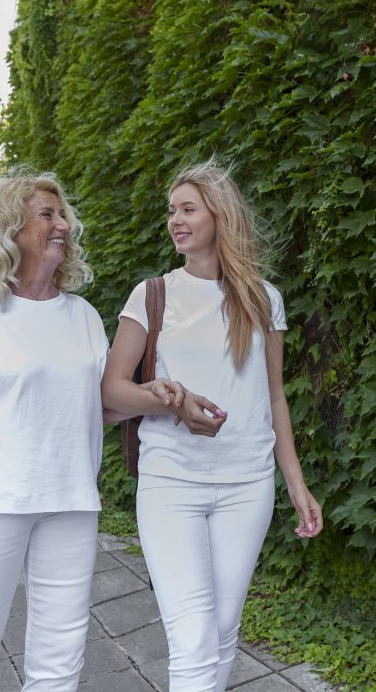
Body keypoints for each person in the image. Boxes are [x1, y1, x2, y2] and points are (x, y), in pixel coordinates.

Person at [102, 158, 324, 692]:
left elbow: (274, 396)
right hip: (172, 483)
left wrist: (295, 483)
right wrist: (170, 403)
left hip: (247, 485)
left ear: (220, 216)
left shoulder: (263, 298)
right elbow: (111, 391)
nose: (175, 221)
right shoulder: (153, 295)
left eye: (188, 210)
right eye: (171, 211)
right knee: (195, 640)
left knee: (223, 633)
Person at [0, 171, 138, 691]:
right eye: (47, 215)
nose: (63, 225)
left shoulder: (83, 316)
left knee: (60, 664)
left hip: (71, 503)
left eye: (63, 216)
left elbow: (101, 406)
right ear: (8, 230)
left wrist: (162, 397)